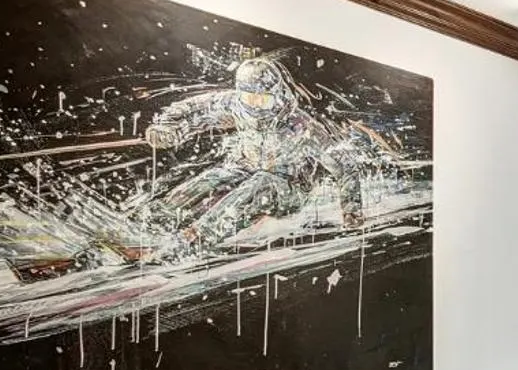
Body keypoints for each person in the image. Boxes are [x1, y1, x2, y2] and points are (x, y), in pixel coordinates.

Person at [145, 55, 377, 250]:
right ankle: (156, 219)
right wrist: (168, 128)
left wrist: (351, 211)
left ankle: (198, 238)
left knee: (260, 183)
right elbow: (191, 108)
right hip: (246, 168)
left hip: (288, 186)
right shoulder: (235, 103)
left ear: (276, 95)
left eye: (263, 99)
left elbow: (344, 167)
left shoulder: (300, 125)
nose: (256, 105)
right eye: (250, 98)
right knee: (212, 178)